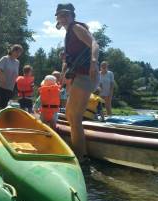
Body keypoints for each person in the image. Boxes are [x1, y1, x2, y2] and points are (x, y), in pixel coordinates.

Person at [56, 3, 99, 160]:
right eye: (60, 15)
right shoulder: (68, 33)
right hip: (78, 76)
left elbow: (94, 44)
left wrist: (94, 63)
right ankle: (82, 152)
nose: (63, 18)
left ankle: (80, 157)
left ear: (72, 16)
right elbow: (68, 60)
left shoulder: (76, 28)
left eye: (66, 15)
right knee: (69, 114)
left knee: (75, 117)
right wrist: (62, 74)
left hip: (86, 75)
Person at [0, 44, 24, 113]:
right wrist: (2, 78)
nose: (18, 54)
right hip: (0, 85)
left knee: (4, 106)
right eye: (17, 52)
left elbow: (15, 74)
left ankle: (1, 122)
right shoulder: (5, 58)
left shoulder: (17, 62)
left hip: (9, 87)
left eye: (20, 52)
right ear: (12, 51)